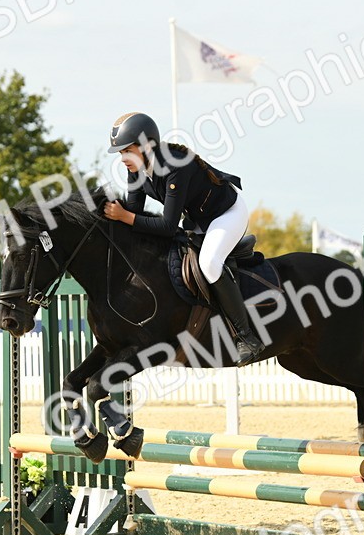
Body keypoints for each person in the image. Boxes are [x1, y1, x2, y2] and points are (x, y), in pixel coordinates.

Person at [102, 112, 263, 366]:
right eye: (121, 153)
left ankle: (247, 337)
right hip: (198, 220)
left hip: (226, 214)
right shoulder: (137, 169)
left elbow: (166, 226)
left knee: (209, 263)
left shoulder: (175, 165)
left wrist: (124, 216)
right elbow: (133, 214)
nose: (123, 159)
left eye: (127, 151)